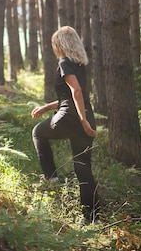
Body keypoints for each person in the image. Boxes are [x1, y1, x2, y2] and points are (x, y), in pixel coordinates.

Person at [31, 26, 100, 222]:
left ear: (59, 44)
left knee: (38, 132)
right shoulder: (79, 65)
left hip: (71, 117)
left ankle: (51, 177)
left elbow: (76, 93)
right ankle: (93, 218)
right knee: (83, 168)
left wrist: (83, 121)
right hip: (83, 116)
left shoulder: (64, 63)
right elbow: (71, 96)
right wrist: (46, 107)